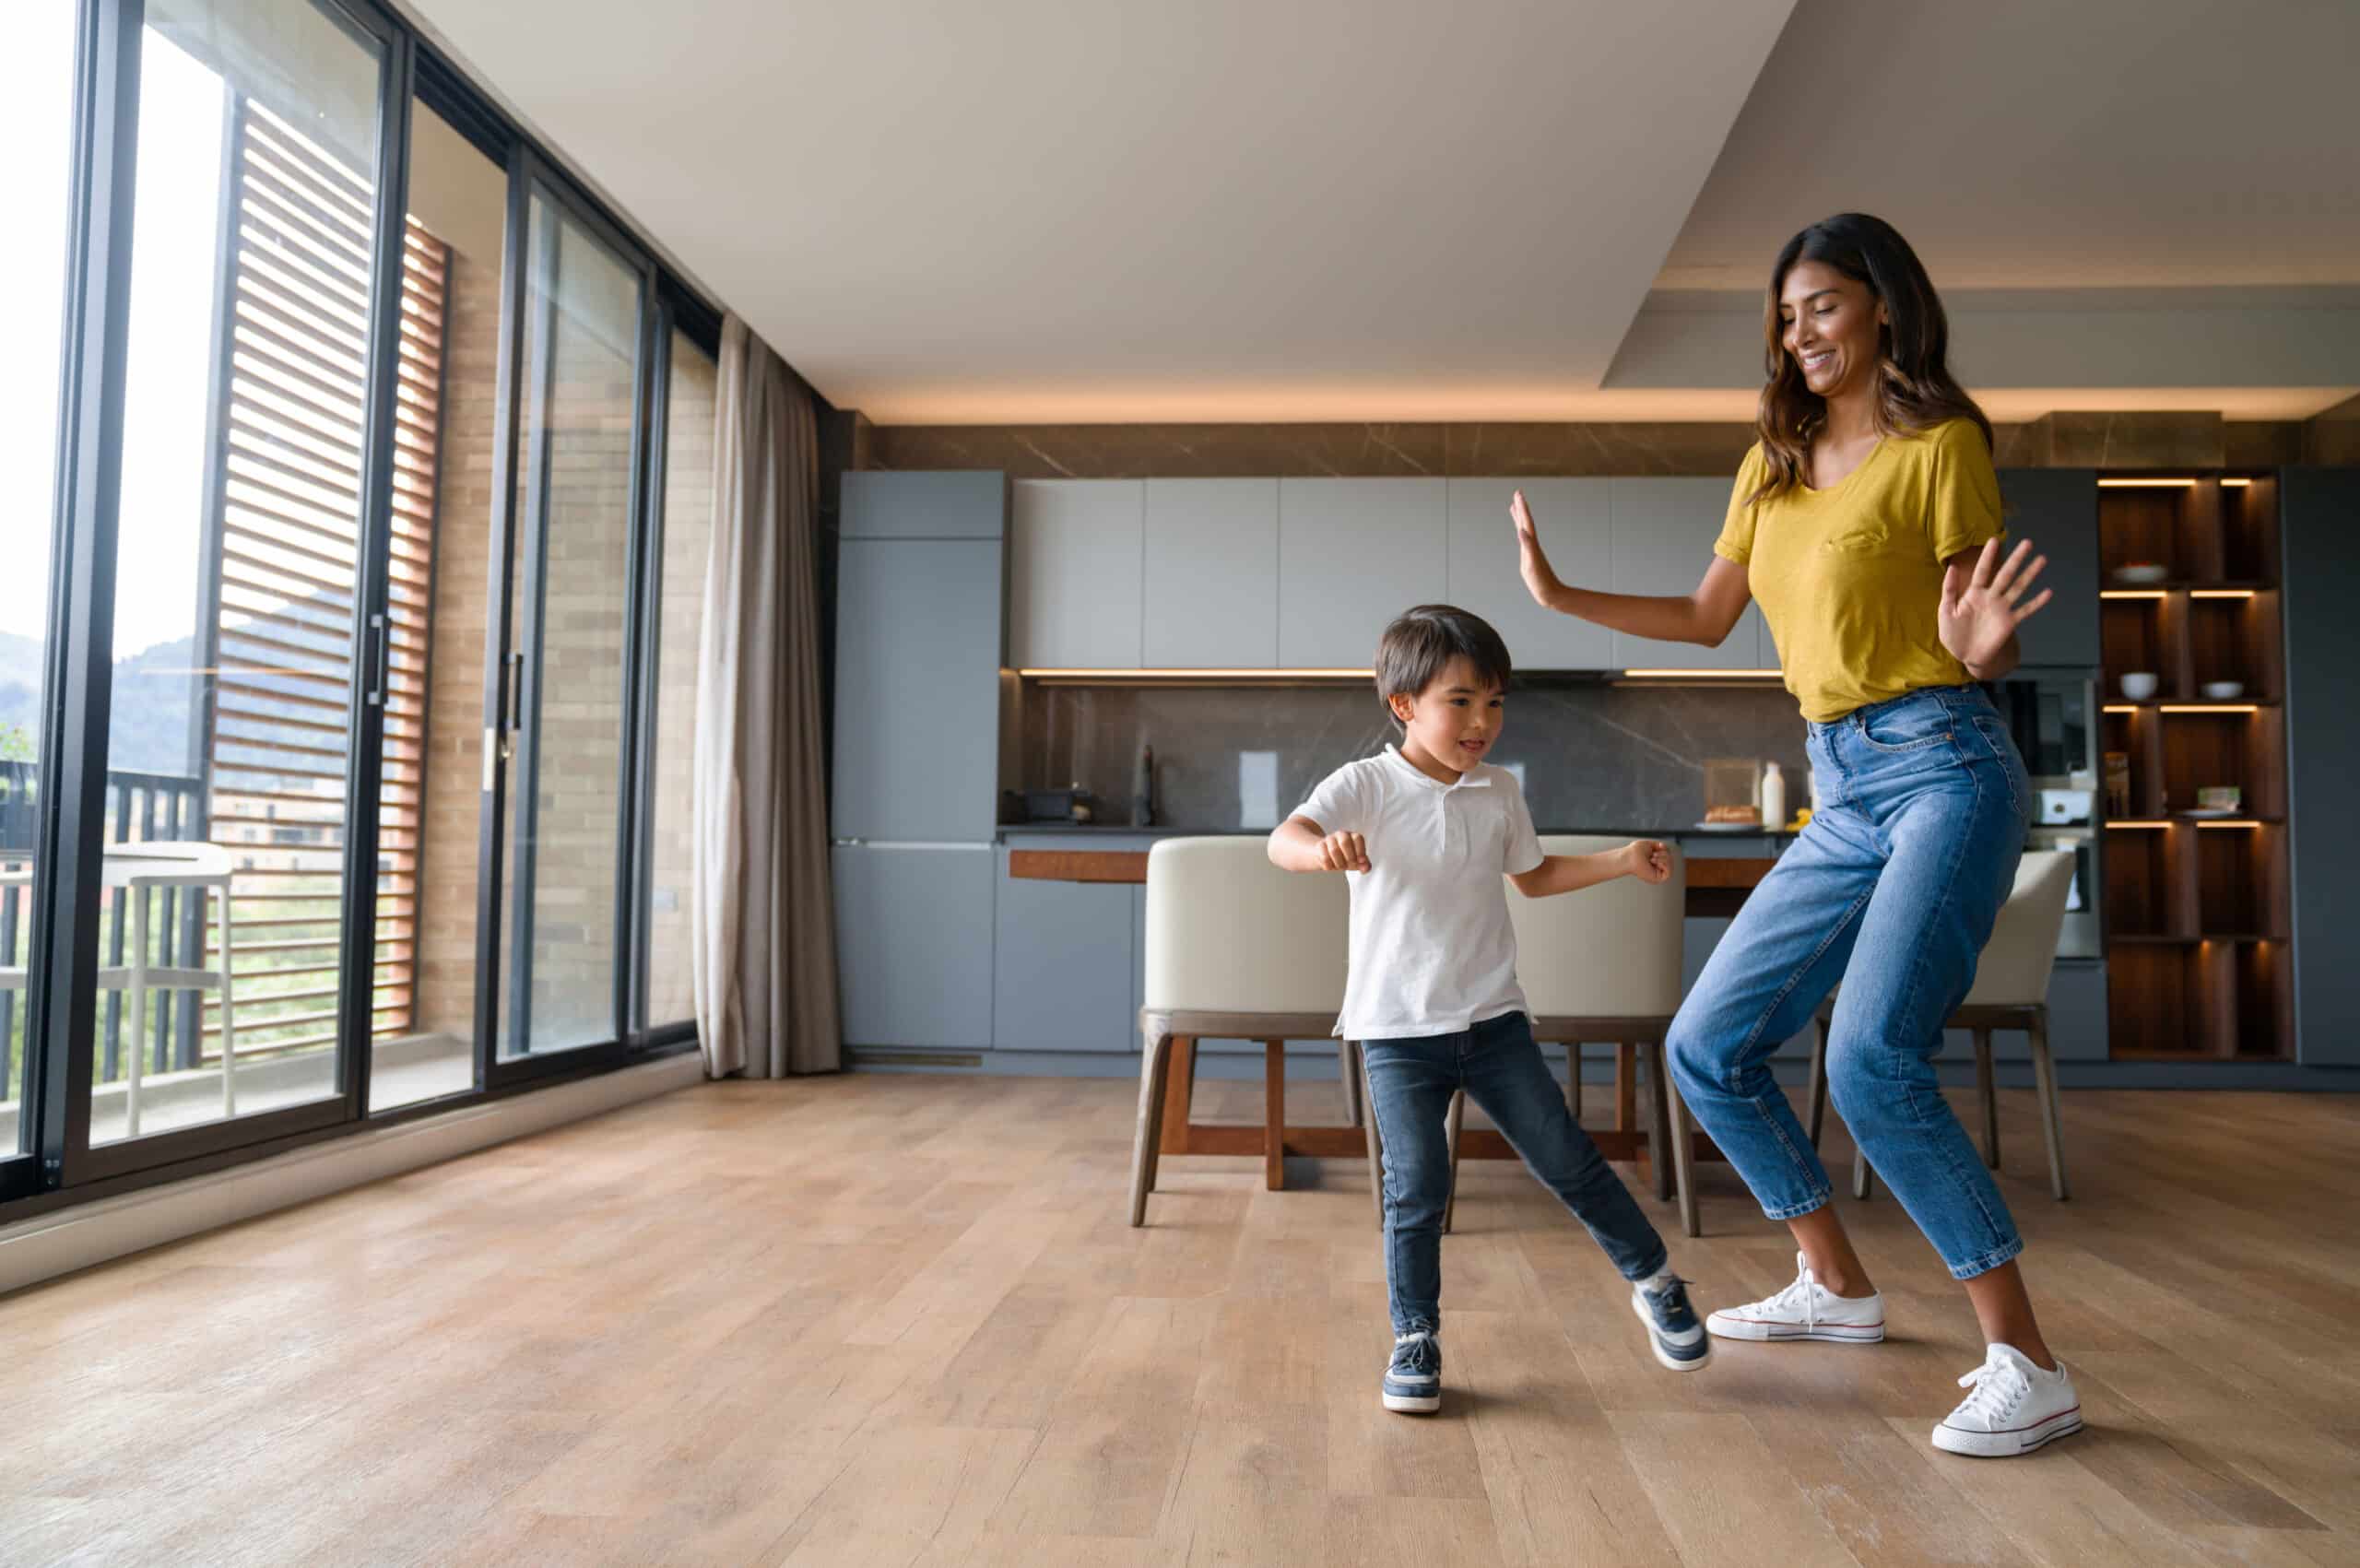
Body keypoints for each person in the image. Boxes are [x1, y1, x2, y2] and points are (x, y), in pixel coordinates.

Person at [1507, 212, 2081, 1458]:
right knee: (1707, 1046)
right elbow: (1712, 614)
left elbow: (1980, 622)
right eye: (1785, 313)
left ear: (1881, 305)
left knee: (1872, 1060)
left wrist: (1992, 657)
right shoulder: (1770, 458)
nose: (1800, 331)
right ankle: (1835, 1282)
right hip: (1838, 779)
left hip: (1945, 762)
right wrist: (1560, 597)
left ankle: (2027, 1361)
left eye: (1821, 304)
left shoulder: (1941, 445)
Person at [1268, 604, 1705, 1415]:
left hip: (1493, 1022)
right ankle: (1415, 1337)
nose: (1482, 721)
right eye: (1460, 700)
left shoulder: (1499, 791)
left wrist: (1618, 859)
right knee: (1418, 1187)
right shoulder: (1366, 784)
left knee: (1568, 1159)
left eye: (1495, 701)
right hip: (1397, 1032)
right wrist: (1318, 849)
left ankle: (1655, 1280)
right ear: (1403, 705)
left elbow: (1532, 877)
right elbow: (1284, 836)